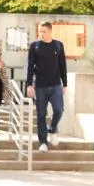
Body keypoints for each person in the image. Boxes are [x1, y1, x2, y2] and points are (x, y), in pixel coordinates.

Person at [26, 22, 67, 152]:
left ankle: (52, 128)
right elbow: (30, 66)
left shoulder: (58, 45)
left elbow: (62, 66)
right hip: (40, 86)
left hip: (55, 85)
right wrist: (29, 85)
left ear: (50, 31)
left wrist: (64, 84)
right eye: (40, 31)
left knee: (59, 109)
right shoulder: (34, 46)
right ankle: (43, 142)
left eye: (44, 31)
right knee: (41, 114)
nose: (41, 33)